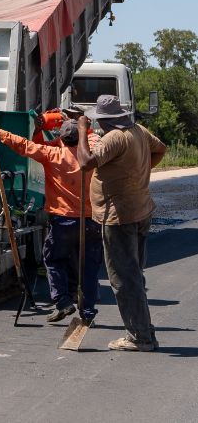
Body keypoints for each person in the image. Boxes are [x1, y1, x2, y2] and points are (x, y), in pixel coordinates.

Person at [0, 118, 103, 324]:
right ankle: (88, 312)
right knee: (89, 267)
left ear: (62, 139)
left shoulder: (53, 155)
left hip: (63, 220)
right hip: (91, 220)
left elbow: (25, 146)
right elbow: (92, 137)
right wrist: (83, 125)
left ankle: (63, 302)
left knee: (54, 260)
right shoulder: (91, 153)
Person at [77, 94, 167, 352]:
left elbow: (85, 163)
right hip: (139, 209)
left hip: (119, 217)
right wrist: (138, 174)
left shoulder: (113, 138)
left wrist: (82, 131)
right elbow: (160, 149)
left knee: (123, 278)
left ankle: (140, 338)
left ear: (104, 121)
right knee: (134, 274)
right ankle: (144, 330)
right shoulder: (137, 130)